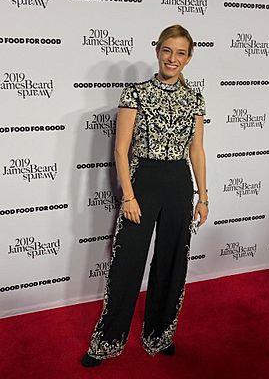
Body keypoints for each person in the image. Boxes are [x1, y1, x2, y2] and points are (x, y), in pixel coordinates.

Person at [81, 24, 208, 368]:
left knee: (172, 262)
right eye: (168, 50)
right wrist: (129, 196)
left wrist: (203, 196)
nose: (173, 58)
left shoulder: (195, 98)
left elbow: (197, 150)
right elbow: (121, 150)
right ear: (158, 50)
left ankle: (159, 334)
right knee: (127, 262)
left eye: (181, 53)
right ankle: (107, 341)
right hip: (143, 181)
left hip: (179, 183)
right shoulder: (135, 93)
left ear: (189, 57)